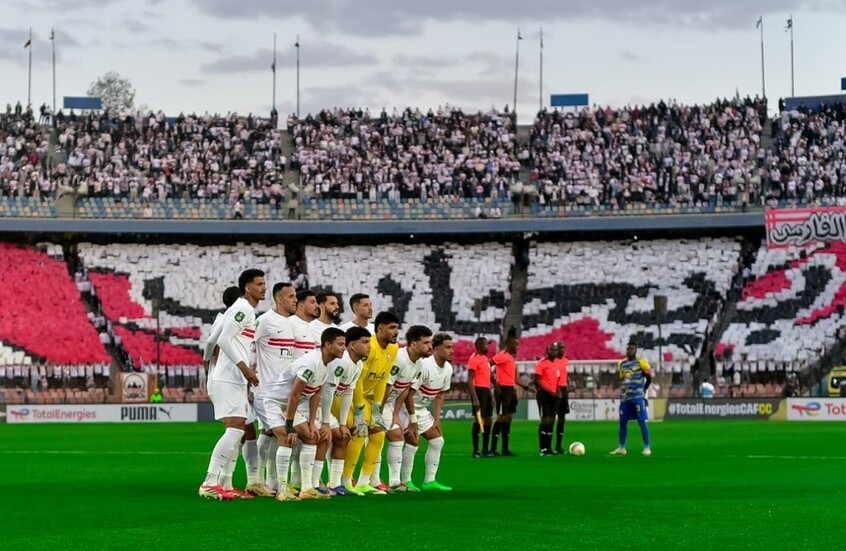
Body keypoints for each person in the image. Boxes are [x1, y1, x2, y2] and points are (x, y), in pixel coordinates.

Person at [258, 327, 347, 501]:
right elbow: (294, 395)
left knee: (311, 436)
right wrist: (290, 426)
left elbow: (315, 394)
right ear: (328, 345)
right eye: (340, 344)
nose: (344, 348)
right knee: (286, 436)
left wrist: (312, 423)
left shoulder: (325, 365)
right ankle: (282, 489)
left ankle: (307, 488)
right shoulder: (311, 363)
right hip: (270, 401)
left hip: (286, 404)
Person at [198, 269, 265, 500]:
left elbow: (211, 341)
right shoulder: (243, 308)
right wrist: (244, 368)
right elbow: (224, 339)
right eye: (259, 284)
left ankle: (225, 483)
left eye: (264, 283)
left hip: (232, 377)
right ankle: (210, 482)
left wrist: (208, 363)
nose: (264, 288)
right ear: (248, 287)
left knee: (238, 431)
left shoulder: (237, 309)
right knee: (236, 429)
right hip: (230, 376)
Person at [342, 311, 400, 494]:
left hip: (366, 398)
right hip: (348, 395)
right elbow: (358, 379)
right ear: (380, 329)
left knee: (379, 433)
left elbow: (382, 379)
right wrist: (359, 411)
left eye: (397, 328)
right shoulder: (369, 347)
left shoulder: (394, 348)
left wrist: (377, 409)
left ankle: (363, 481)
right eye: (392, 328)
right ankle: (345, 481)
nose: (396, 332)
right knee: (360, 432)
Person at [252, 282, 298, 496]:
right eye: (291, 296)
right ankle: (259, 479)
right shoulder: (265, 321)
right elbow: (246, 343)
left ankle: (270, 481)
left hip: (287, 392)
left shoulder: (293, 324)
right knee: (272, 432)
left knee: (272, 434)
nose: (295, 300)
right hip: (267, 391)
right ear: (279, 299)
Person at [400, 332, 454, 491]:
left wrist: (437, 419)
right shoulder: (424, 366)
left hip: (421, 410)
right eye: (447, 347)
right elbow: (408, 394)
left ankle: (429, 481)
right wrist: (412, 419)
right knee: (413, 441)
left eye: (452, 347)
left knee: (437, 441)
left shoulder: (448, 369)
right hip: (405, 408)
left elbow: (440, 395)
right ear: (436, 349)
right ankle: (405, 481)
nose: (452, 351)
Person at [383, 325, 433, 492]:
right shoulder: (399, 358)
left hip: (391, 404)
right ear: (413, 344)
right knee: (392, 436)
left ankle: (401, 481)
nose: (430, 347)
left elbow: (404, 390)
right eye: (426, 343)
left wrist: (397, 415)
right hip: (378, 401)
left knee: (409, 437)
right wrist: (381, 411)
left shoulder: (419, 364)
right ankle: (387, 481)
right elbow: (386, 387)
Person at [322, 326, 370, 496]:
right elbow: (326, 392)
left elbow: (348, 392)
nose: (369, 346)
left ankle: (335, 484)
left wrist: (343, 424)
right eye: (365, 342)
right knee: (316, 438)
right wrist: (325, 422)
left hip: (322, 407)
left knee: (343, 436)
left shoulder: (358, 365)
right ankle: (308, 483)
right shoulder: (340, 363)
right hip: (313, 405)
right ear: (352, 345)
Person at [610, 341, 652, 456]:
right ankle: (621, 447)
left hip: (637, 397)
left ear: (636, 350)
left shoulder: (641, 363)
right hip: (625, 398)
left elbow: (649, 378)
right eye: (628, 349)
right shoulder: (622, 364)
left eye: (632, 349)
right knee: (622, 422)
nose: (630, 351)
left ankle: (647, 447)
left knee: (641, 421)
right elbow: (622, 379)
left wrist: (644, 389)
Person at [490, 335, 522, 456]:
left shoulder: (511, 358)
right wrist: (495, 383)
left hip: (511, 390)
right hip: (502, 390)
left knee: (508, 417)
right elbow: (487, 365)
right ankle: (493, 449)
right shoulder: (501, 355)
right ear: (508, 344)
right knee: (501, 417)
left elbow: (514, 378)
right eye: (515, 344)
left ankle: (505, 449)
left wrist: (527, 387)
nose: (517, 347)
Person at [468, 337, 494, 458]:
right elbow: (469, 380)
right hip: (478, 390)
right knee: (479, 420)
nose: (488, 347)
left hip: (486, 390)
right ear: (478, 346)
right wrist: (475, 398)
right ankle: (476, 451)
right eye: (485, 345)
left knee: (488, 420)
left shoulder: (485, 358)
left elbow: (487, 378)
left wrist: (491, 395)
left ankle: (485, 450)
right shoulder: (474, 359)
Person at [533, 344, 559, 456]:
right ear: (547, 351)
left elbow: (556, 380)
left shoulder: (556, 364)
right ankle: (543, 448)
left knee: (551, 420)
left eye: (555, 350)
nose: (554, 351)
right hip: (544, 396)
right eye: (552, 350)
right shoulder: (541, 363)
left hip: (553, 396)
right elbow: (536, 380)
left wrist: (558, 391)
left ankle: (549, 447)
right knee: (545, 420)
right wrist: (548, 392)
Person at [553, 342, 570, 454]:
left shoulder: (566, 361)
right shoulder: (552, 361)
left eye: (563, 348)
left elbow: (565, 375)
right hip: (554, 389)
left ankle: (558, 446)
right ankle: (547, 446)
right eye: (560, 348)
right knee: (551, 418)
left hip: (564, 389)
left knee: (562, 418)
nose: (562, 350)